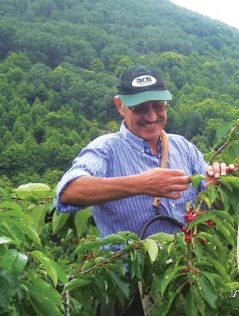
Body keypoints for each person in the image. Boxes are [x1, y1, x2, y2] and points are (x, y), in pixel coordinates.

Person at [56, 64, 234, 315]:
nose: (151, 117)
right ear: (120, 105)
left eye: (158, 106)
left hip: (181, 283)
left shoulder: (182, 147)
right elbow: (67, 193)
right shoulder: (105, 149)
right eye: (140, 108)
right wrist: (141, 184)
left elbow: (210, 198)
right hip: (128, 292)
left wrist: (221, 180)